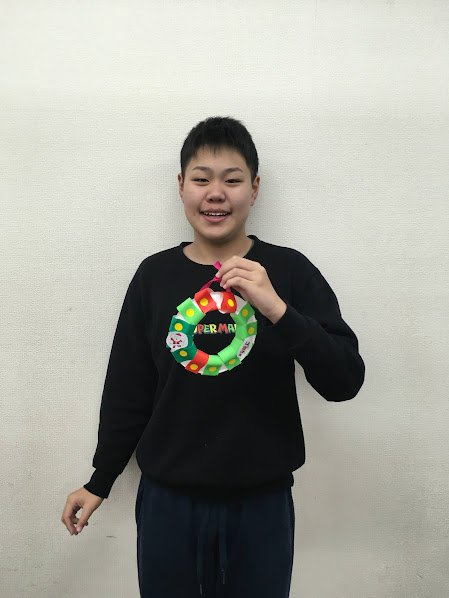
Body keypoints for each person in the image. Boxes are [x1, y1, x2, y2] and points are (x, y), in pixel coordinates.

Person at [61, 116, 365, 598]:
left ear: (255, 188)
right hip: (168, 501)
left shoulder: (288, 271)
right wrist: (100, 480)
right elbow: (128, 388)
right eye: (202, 179)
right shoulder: (154, 276)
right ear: (181, 187)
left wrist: (277, 309)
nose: (216, 193)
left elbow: (345, 381)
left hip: (262, 501)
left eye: (232, 180)